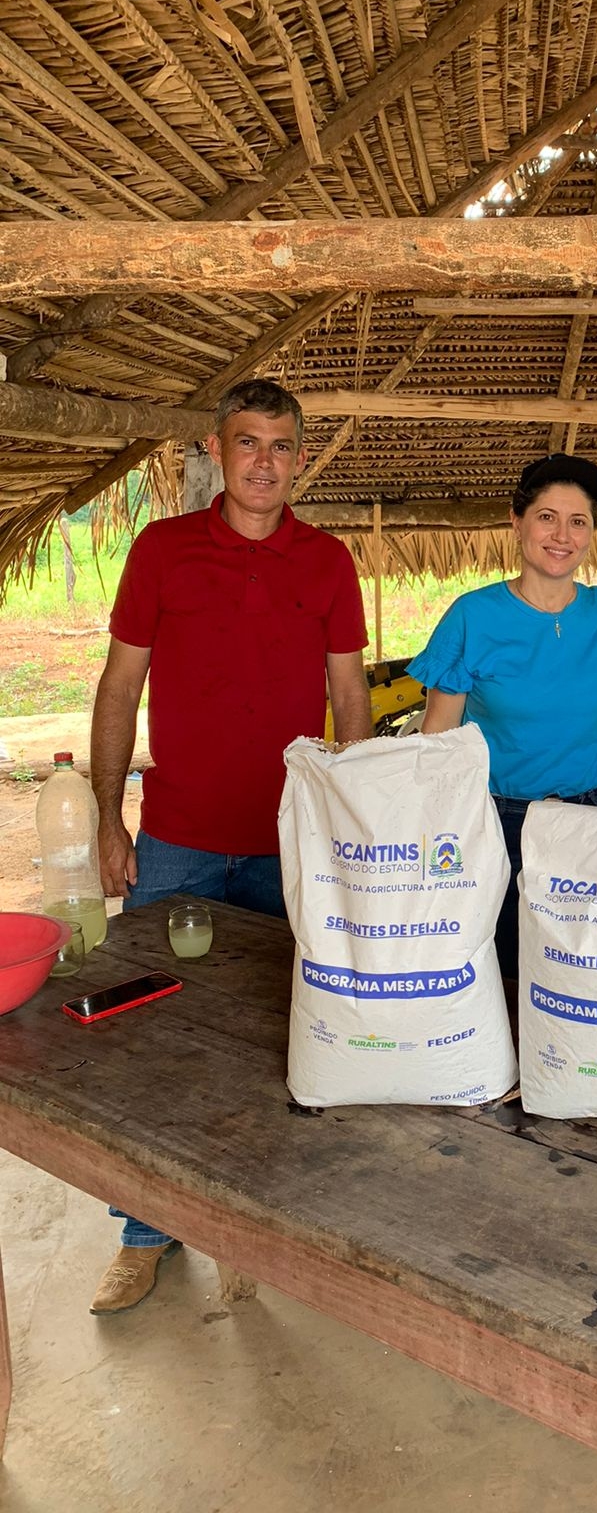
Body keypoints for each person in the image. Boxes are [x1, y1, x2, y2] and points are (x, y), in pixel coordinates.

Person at [88, 378, 372, 1312]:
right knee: (153, 1033)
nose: (264, 462)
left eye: (282, 446)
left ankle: (237, 1223)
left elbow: (351, 704)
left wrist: (353, 832)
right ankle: (143, 1232)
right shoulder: (164, 549)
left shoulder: (328, 562)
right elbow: (120, 689)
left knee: (270, 1033)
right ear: (218, 450)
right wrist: (105, 815)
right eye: (248, 443)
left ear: (301, 457)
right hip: (176, 841)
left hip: (289, 845)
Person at [409, 454, 597, 978]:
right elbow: (437, 745)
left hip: (592, 817)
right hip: (501, 821)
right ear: (516, 520)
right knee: (505, 966)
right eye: (546, 517)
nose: (561, 534)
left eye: (578, 520)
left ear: (592, 533)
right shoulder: (473, 617)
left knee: (586, 970)